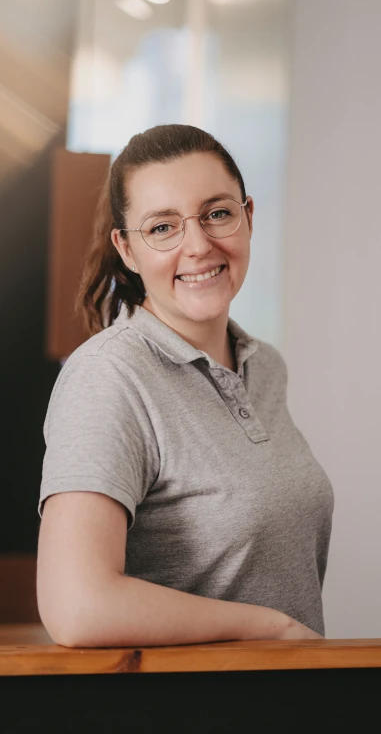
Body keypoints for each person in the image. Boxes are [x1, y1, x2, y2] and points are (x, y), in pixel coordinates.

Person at [37, 124, 334, 647]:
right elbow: (76, 605)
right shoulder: (110, 376)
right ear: (127, 249)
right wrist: (271, 626)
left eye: (217, 213)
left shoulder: (264, 367)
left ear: (248, 218)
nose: (198, 245)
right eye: (162, 227)